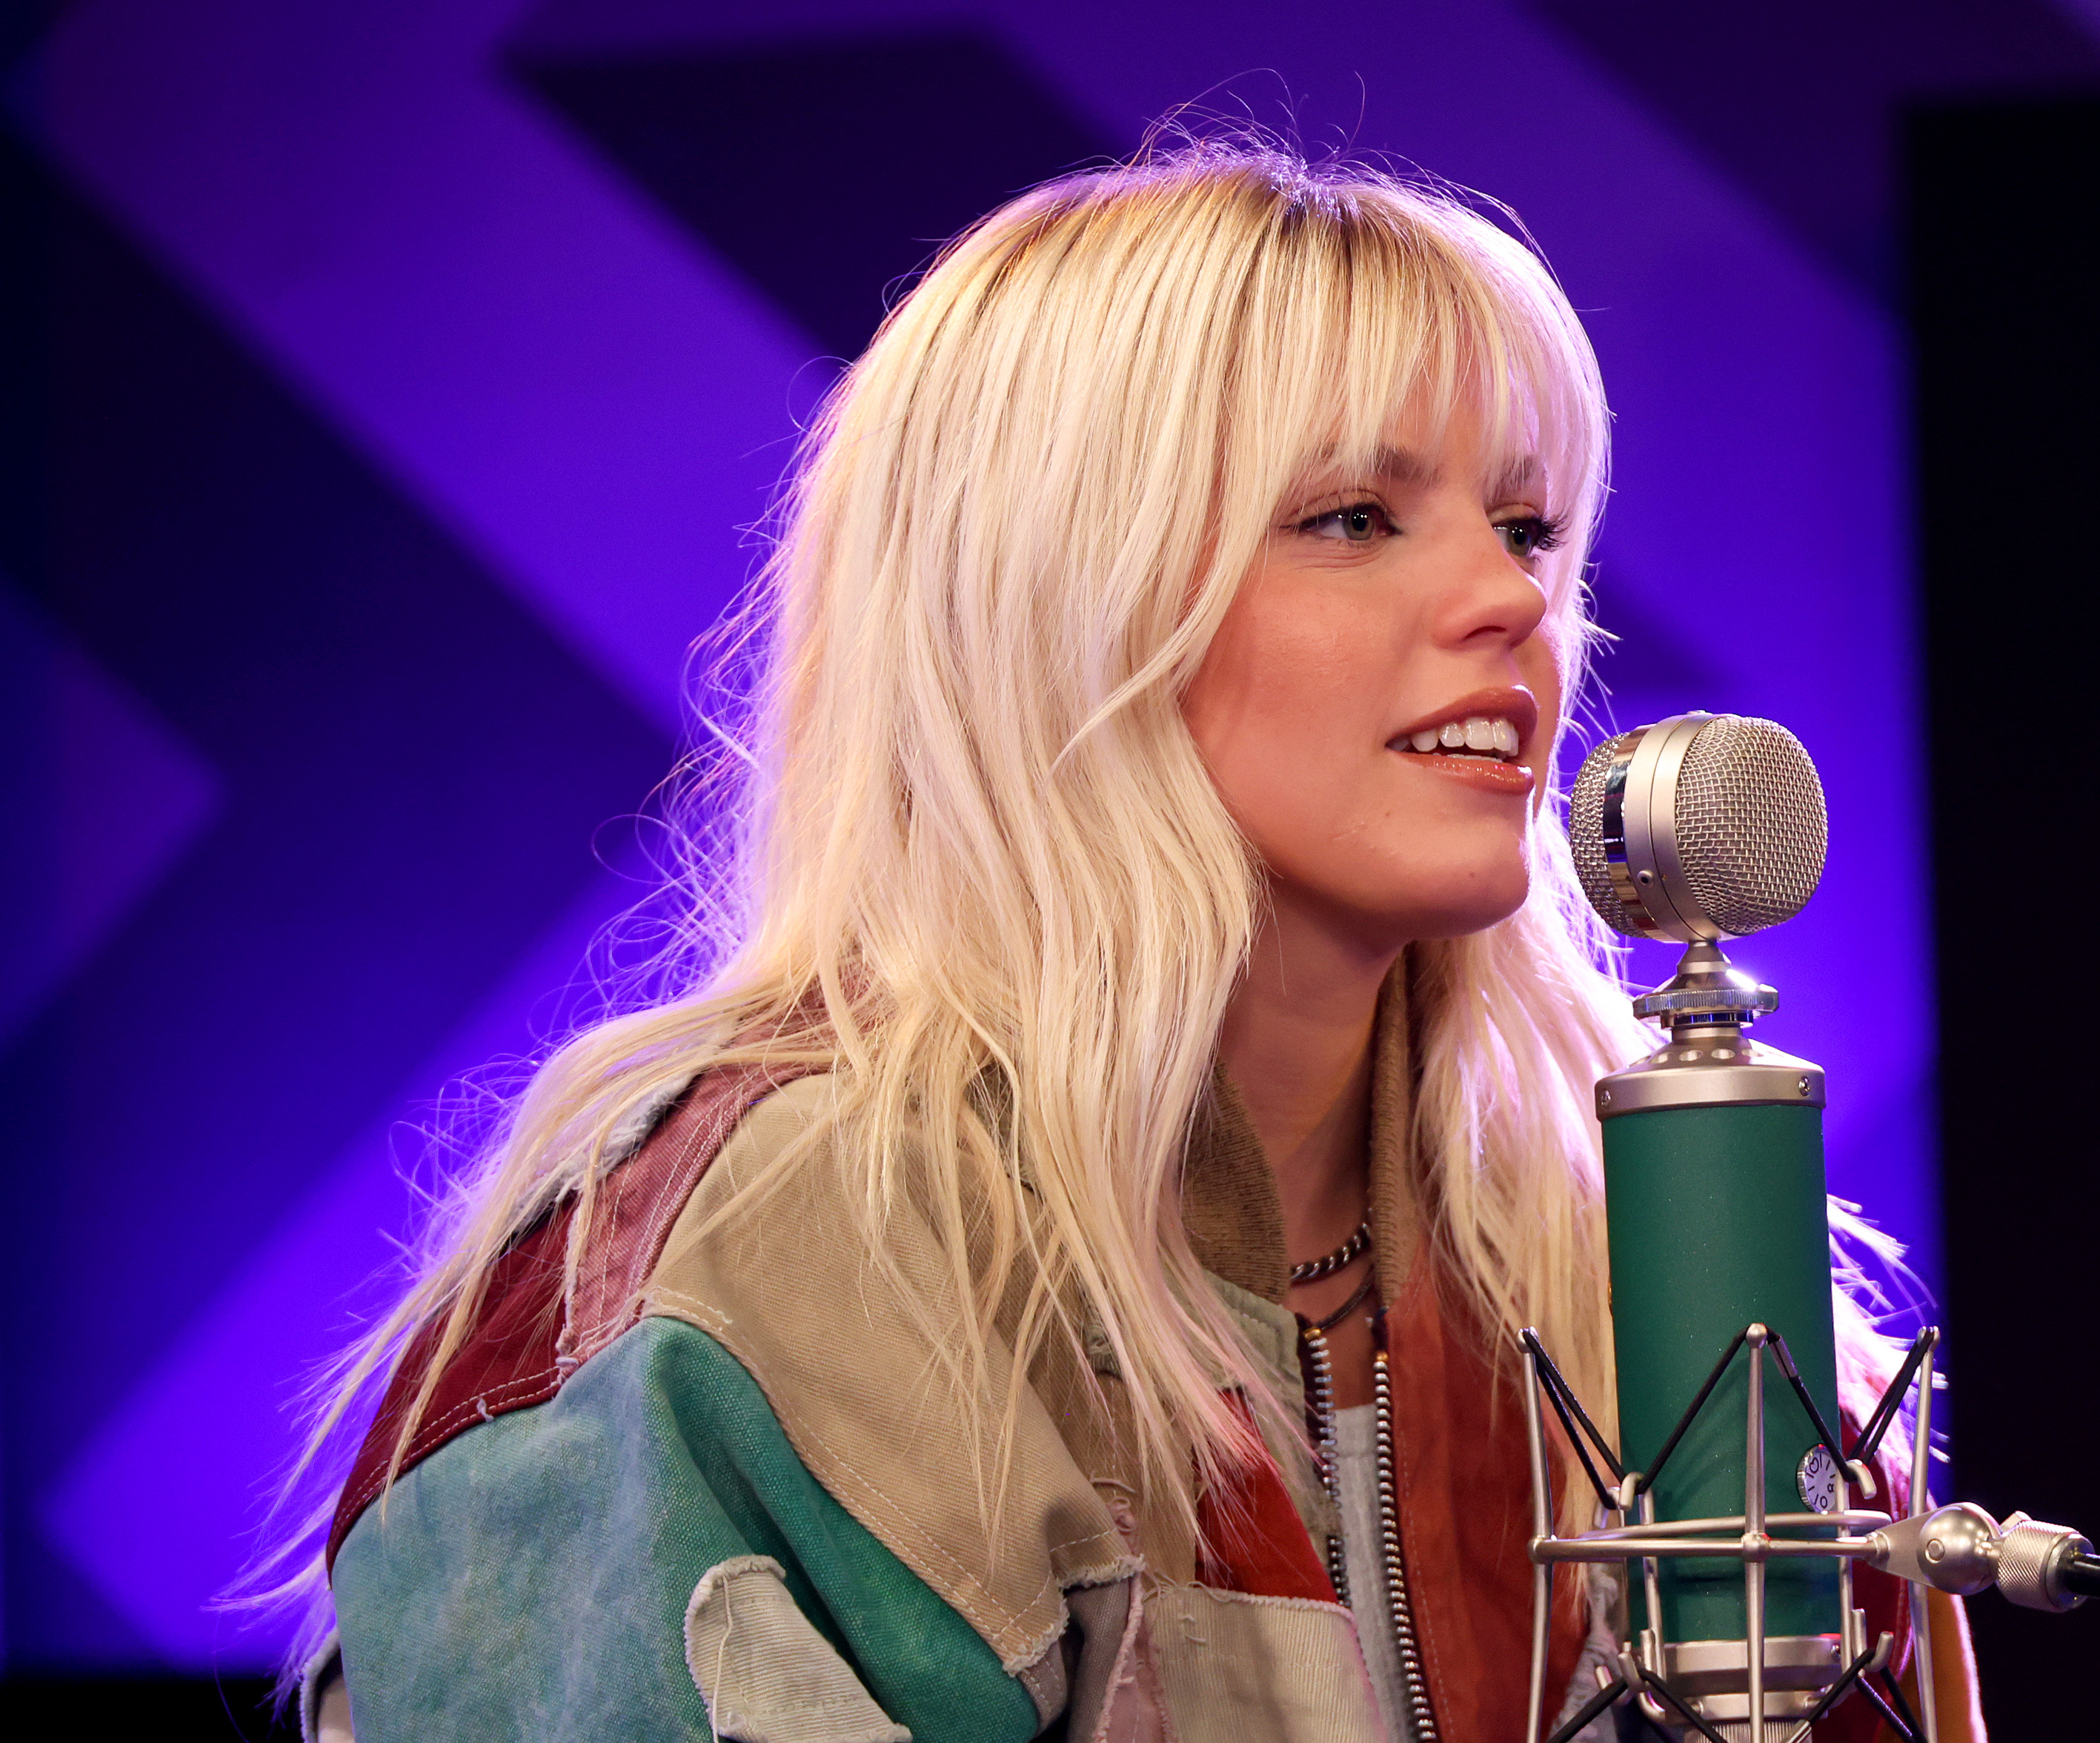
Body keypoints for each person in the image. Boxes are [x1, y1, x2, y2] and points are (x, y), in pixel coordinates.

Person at [279, 136, 1984, 1742]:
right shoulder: (754, 1274)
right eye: (1351, 518)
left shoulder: (1651, 1270)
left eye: (1530, 528)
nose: (1516, 604)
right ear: (1063, 607)